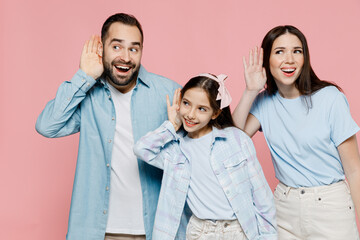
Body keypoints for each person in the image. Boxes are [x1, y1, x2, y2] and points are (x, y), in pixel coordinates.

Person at [35, 13, 188, 240]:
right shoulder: (88, 95)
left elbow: (199, 151)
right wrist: (84, 76)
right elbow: (47, 126)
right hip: (99, 231)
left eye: (133, 49)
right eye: (117, 47)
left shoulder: (168, 92)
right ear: (102, 48)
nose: (125, 57)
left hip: (157, 229)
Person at [233, 25, 360, 239]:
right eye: (279, 51)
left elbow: (354, 170)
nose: (289, 59)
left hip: (330, 208)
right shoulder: (264, 102)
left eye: (297, 51)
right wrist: (250, 91)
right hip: (284, 208)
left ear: (305, 57)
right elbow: (231, 141)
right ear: (267, 61)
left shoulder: (330, 98)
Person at [134, 74, 277, 240]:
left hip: (238, 230)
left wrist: (268, 236)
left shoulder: (236, 140)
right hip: (199, 232)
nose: (191, 114)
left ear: (215, 113)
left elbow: (262, 197)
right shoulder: (175, 149)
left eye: (202, 109)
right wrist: (172, 125)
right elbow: (142, 149)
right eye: (186, 104)